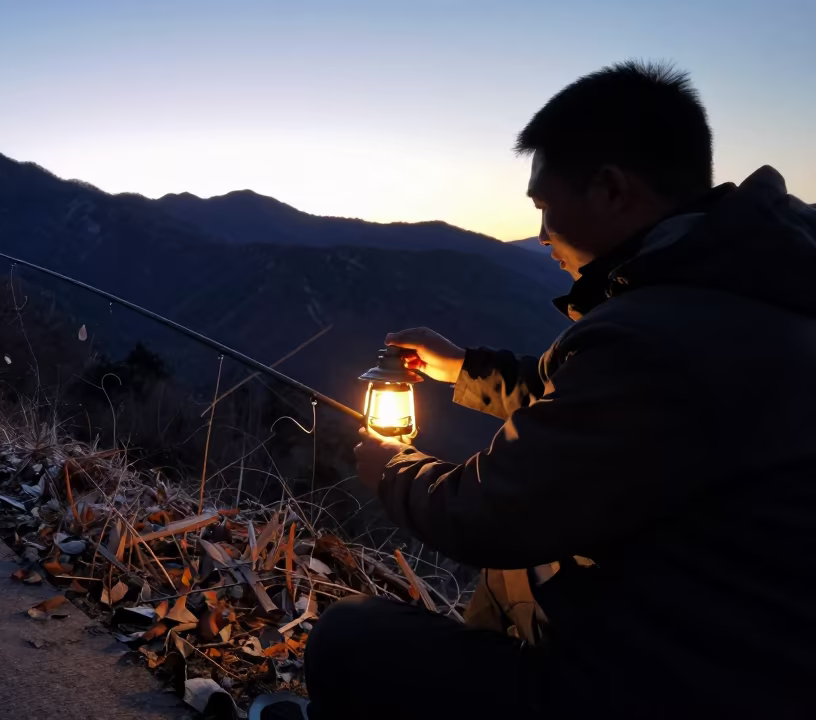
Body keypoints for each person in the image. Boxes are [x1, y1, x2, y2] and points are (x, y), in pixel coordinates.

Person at [304, 60, 816, 718]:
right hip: (739, 643)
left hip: (685, 680)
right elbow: (601, 414)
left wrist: (392, 469)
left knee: (351, 639)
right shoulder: (743, 289)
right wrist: (462, 368)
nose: (542, 236)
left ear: (610, 190)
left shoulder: (653, 332)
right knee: (519, 577)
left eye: (545, 207)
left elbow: (490, 514)